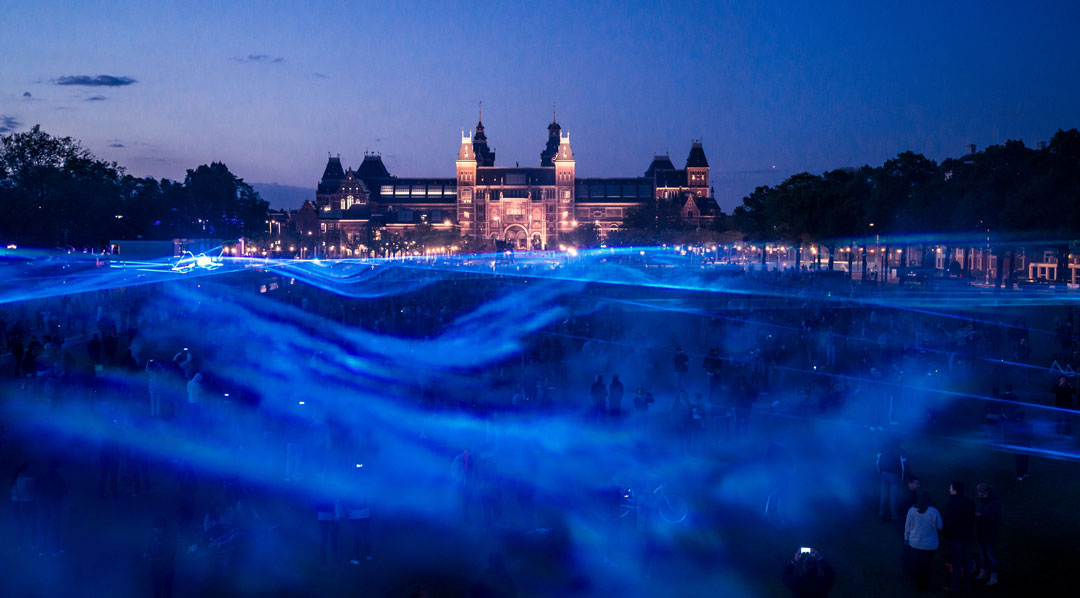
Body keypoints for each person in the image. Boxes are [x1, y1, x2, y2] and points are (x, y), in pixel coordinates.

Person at [904, 491, 942, 591]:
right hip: (930, 545)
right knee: (927, 564)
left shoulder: (912, 511)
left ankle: (917, 583)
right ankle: (925, 584)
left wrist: (906, 539)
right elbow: (940, 526)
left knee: (917, 563)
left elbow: (907, 527)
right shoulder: (934, 511)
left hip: (915, 543)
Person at [942, 481, 976, 591]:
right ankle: (968, 584)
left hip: (955, 536)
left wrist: (946, 534)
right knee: (967, 560)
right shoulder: (970, 503)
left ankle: (955, 585)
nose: (949, 489)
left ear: (954, 490)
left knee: (957, 561)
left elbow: (947, 521)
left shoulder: (950, 504)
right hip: (967, 535)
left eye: (950, 488)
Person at [974, 483, 1001, 587]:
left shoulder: (994, 503)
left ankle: (994, 577)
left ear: (987, 492)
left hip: (989, 534)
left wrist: (982, 515)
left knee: (991, 556)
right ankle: (983, 573)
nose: (979, 494)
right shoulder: (982, 502)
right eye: (978, 492)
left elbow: (996, 518)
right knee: (982, 555)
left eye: (981, 492)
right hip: (980, 533)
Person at [876, 437, 907, 522]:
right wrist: (902, 477)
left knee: (884, 494)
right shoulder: (900, 450)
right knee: (893, 496)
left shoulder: (883, 447)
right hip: (894, 475)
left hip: (883, 474)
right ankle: (894, 516)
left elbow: (878, 461)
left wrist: (880, 472)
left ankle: (881, 513)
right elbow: (903, 465)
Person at [145, 516, 177, 598]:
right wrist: (146, 554)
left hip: (166, 568)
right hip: (154, 568)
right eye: (155, 528)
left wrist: (154, 559)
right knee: (156, 590)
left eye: (158, 528)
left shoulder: (170, 537)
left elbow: (170, 554)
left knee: (167, 590)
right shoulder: (152, 535)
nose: (156, 530)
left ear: (163, 527)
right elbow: (148, 547)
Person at [1006, 410, 1034, 480]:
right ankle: (1024, 473)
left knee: (1019, 461)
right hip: (1026, 445)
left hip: (1018, 446)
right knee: (1025, 460)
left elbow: (1011, 435)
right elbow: (1031, 436)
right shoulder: (1028, 425)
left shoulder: (1015, 425)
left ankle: (1020, 475)